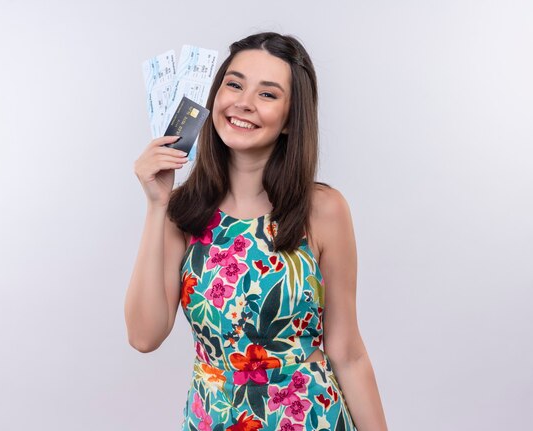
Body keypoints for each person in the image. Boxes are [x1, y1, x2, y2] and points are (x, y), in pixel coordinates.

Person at [125, 32, 388, 431]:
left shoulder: (322, 210)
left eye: (268, 94)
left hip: (310, 419)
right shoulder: (183, 214)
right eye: (234, 84)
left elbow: (347, 351)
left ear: (289, 120)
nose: (243, 102)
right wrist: (157, 204)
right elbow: (144, 336)